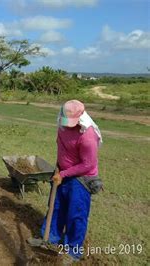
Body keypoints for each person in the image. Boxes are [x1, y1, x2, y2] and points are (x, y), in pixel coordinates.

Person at [41, 100, 102, 262]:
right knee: (55, 207)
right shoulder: (61, 124)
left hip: (81, 178)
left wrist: (64, 173)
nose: (68, 125)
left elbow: (88, 164)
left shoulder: (88, 136)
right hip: (62, 172)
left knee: (76, 214)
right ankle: (50, 238)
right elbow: (61, 146)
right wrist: (58, 167)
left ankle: (73, 250)